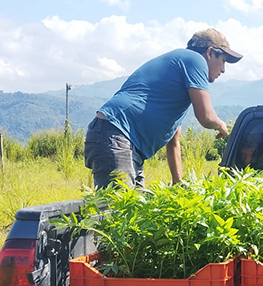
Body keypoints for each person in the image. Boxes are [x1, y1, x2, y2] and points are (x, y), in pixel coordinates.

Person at [84, 28, 243, 188]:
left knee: (136, 203)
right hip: (116, 133)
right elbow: (206, 117)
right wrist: (221, 125)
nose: (223, 69)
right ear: (210, 52)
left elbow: (173, 139)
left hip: (122, 140)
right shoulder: (195, 60)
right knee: (119, 203)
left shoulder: (178, 78)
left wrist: (178, 182)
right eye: (223, 60)